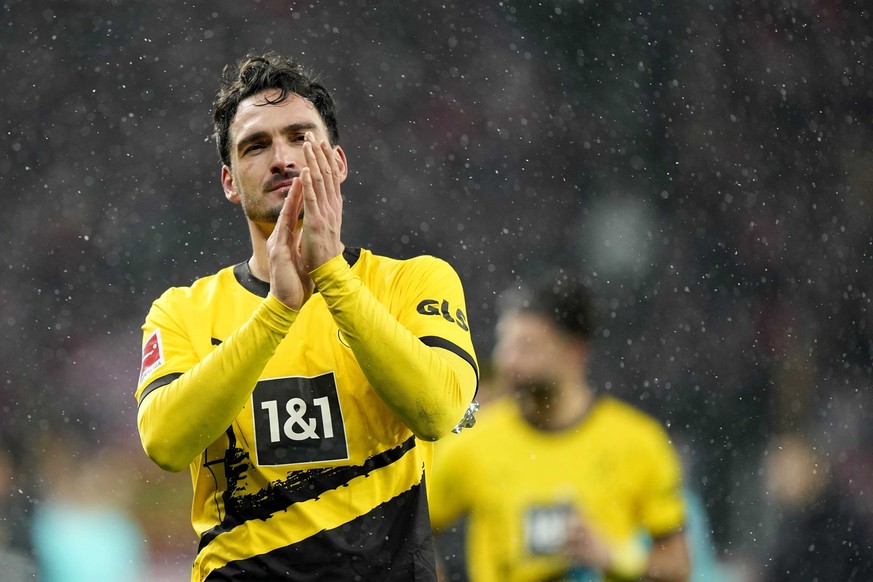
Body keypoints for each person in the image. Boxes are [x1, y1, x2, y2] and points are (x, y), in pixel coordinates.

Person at [134, 52, 479, 581]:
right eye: (256, 146)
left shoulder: (415, 281)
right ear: (229, 182)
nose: (283, 159)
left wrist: (333, 276)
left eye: (300, 137)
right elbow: (165, 444)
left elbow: (437, 411)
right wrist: (279, 311)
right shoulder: (181, 310)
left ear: (337, 163)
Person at [429, 271, 690, 582]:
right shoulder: (474, 440)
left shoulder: (638, 441)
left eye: (527, 346)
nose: (508, 360)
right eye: (505, 344)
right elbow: (410, 528)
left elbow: (678, 566)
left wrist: (615, 557)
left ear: (574, 352)